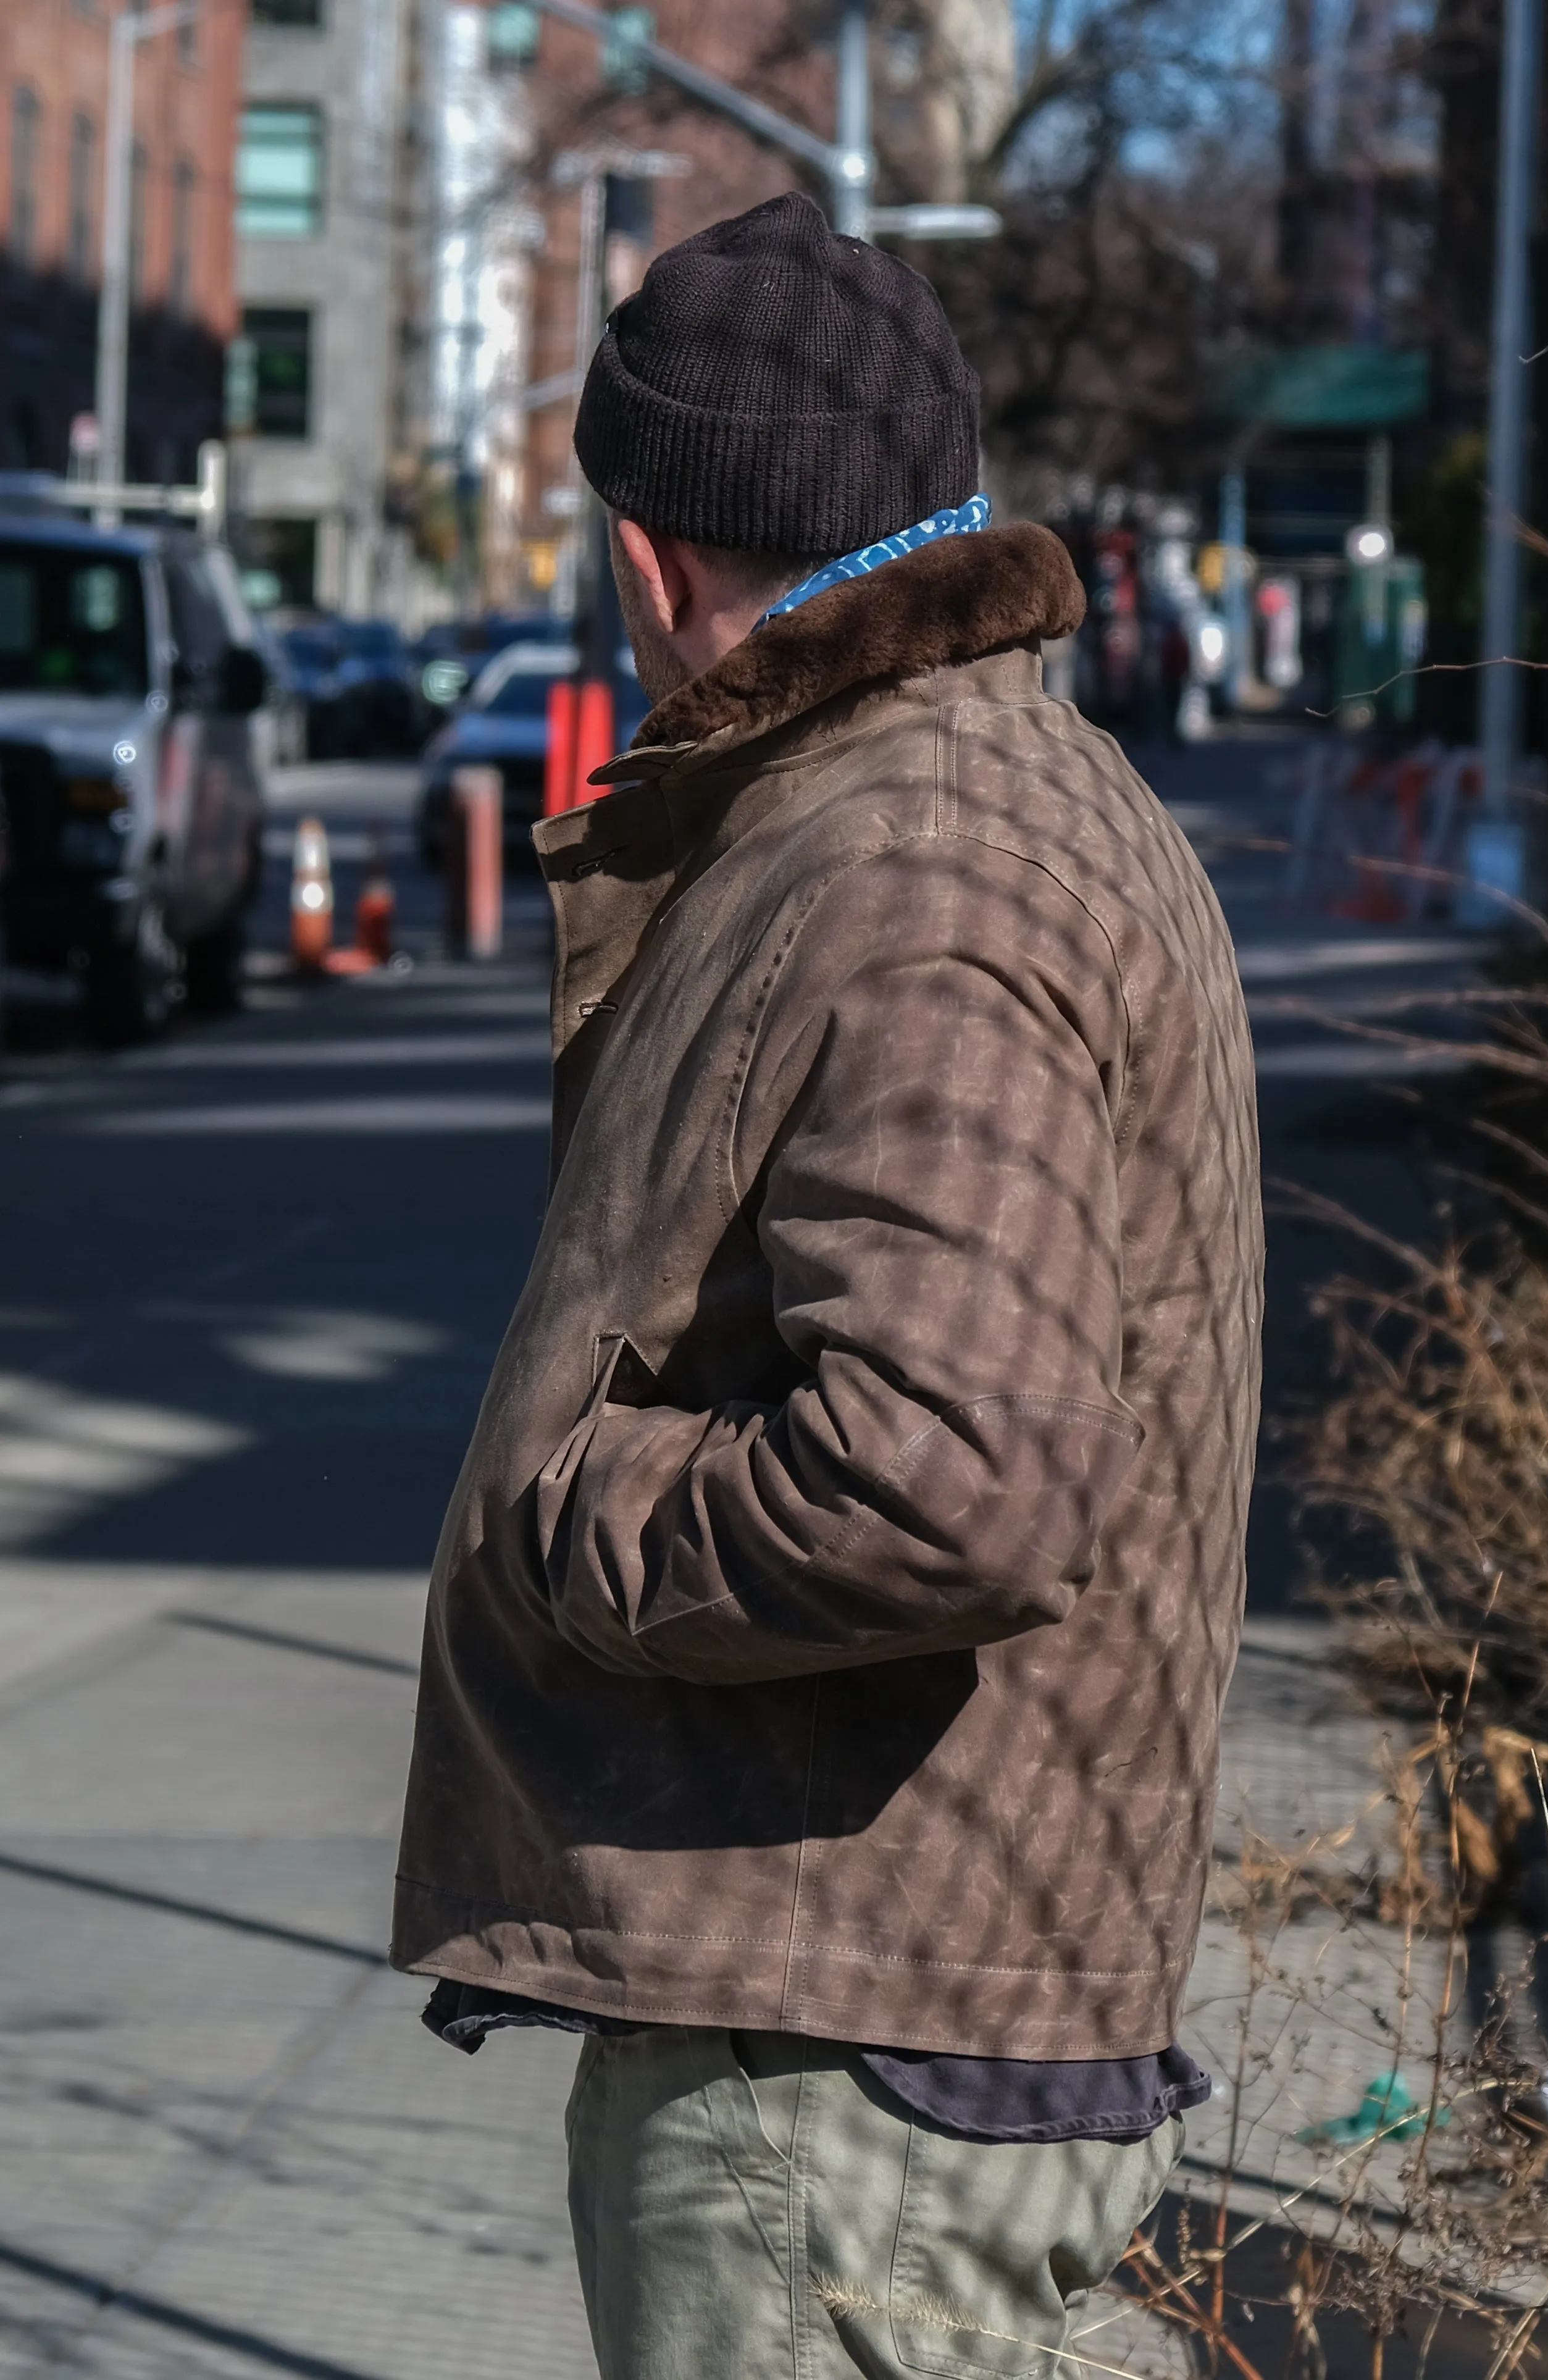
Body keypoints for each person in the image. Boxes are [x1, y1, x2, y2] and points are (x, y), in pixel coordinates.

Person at [393, 190, 1263, 2380]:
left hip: (844, 2046)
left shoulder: (914, 856)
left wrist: (569, 1517)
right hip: (901, 1996)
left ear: (651, 556)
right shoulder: (993, 807)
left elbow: (949, 1471)